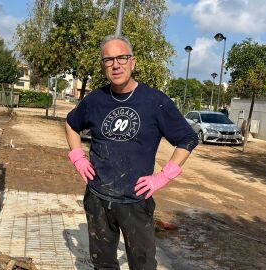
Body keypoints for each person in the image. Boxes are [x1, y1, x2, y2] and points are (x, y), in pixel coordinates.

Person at [65, 35, 198, 270]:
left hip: (135, 201)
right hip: (97, 197)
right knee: (103, 264)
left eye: (122, 58)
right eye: (109, 60)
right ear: (103, 66)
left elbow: (187, 138)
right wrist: (77, 157)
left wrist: (163, 176)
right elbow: (71, 124)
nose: (116, 65)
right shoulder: (95, 100)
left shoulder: (155, 101)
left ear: (133, 62)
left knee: (143, 265)